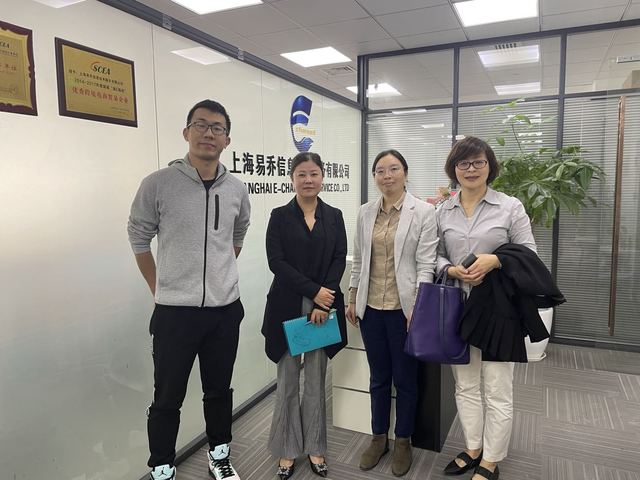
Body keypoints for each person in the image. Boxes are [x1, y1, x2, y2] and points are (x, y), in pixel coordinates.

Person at [127, 99, 250, 480]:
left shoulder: (237, 189)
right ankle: (163, 465)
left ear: (227, 139)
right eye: (200, 125)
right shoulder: (158, 184)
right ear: (186, 132)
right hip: (174, 313)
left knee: (219, 390)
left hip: (224, 310)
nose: (208, 133)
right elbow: (138, 236)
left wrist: (217, 277)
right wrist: (159, 286)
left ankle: (219, 454)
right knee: (167, 396)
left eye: (217, 128)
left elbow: (238, 234)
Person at [436, 136, 536, 480]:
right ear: (454, 169)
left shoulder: (510, 207)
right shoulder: (443, 210)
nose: (471, 169)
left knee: (497, 388)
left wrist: (495, 260)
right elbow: (433, 255)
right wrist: (451, 270)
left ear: (490, 166)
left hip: (498, 310)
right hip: (458, 309)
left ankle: (491, 460)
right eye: (463, 163)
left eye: (478, 162)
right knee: (464, 386)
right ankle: (473, 448)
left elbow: (529, 254)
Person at [346, 149, 438, 477]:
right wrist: (352, 297)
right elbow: (359, 259)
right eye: (380, 171)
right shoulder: (365, 212)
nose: (387, 176)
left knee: (406, 379)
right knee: (378, 378)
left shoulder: (424, 212)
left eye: (394, 169)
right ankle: (378, 438)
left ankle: (403, 441)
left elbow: (426, 264)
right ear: (374, 177)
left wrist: (419, 307)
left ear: (405, 173)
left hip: (404, 310)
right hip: (371, 308)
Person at [262, 152, 348, 479]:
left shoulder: (334, 216)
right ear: (292, 179)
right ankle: (286, 448)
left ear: (322, 177)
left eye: (313, 173)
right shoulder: (280, 216)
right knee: (287, 380)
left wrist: (323, 301)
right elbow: (276, 262)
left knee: (315, 379)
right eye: (301, 174)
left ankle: (315, 445)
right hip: (287, 305)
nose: (308, 180)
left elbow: (339, 257)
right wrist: (314, 292)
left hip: (322, 309)